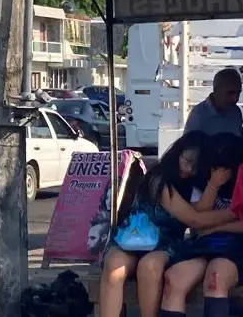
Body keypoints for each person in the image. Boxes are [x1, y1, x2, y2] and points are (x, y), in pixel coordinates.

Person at [99, 131, 235, 317]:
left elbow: (201, 209)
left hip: (164, 243)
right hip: (132, 237)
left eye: (195, 167)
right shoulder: (159, 178)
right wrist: (235, 213)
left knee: (150, 266)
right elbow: (194, 219)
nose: (188, 170)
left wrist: (213, 185)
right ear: (176, 153)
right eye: (187, 162)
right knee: (114, 266)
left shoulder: (192, 183)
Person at [159, 132, 243, 317]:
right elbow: (198, 218)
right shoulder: (202, 181)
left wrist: (216, 227)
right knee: (174, 279)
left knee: (215, 279)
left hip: (235, 247)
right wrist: (213, 185)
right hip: (202, 245)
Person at [183, 68, 243, 137]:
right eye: (230, 93)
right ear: (216, 91)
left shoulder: (236, 112)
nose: (235, 99)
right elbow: (187, 145)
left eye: (238, 93)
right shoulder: (199, 115)